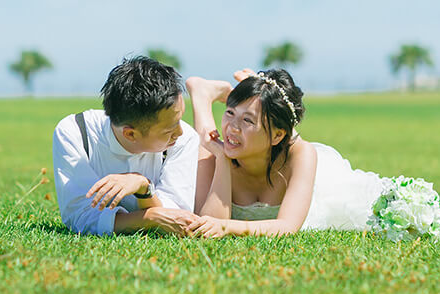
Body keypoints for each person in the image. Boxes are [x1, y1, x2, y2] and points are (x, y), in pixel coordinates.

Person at [186, 68, 385, 238]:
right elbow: (209, 223)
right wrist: (222, 159)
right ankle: (201, 95)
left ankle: (262, 93)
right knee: (206, 144)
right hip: (264, 141)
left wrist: (228, 227)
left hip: (285, 154)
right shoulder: (214, 154)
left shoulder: (301, 154)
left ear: (278, 136)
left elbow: (287, 226)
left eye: (247, 120)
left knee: (282, 133)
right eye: (229, 112)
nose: (233, 128)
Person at [52, 56, 200, 237]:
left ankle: (203, 97)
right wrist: (150, 217)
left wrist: (143, 188)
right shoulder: (77, 132)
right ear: (130, 134)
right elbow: (81, 218)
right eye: (169, 130)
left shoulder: (186, 139)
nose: (180, 132)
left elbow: (176, 219)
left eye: (180, 119)